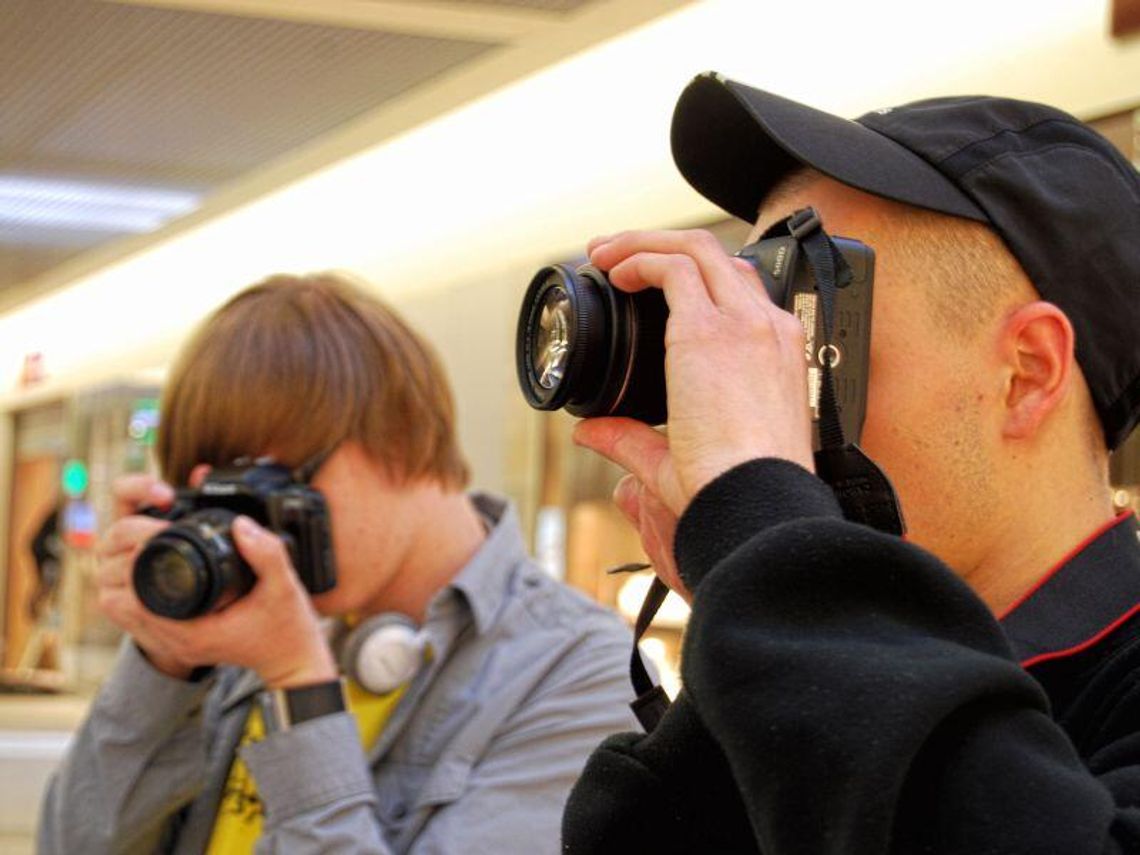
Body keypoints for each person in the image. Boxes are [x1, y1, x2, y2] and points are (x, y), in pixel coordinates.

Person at [561, 72, 1140, 852]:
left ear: (1027, 372)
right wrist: (748, 604)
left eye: (819, 334)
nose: (777, 392)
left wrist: (771, 541)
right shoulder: (813, 648)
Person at [38, 273, 639, 853]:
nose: (257, 532)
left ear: (398, 434)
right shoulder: (244, 626)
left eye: (276, 486)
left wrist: (299, 685)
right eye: (225, 497)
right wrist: (163, 663)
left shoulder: (578, 673)